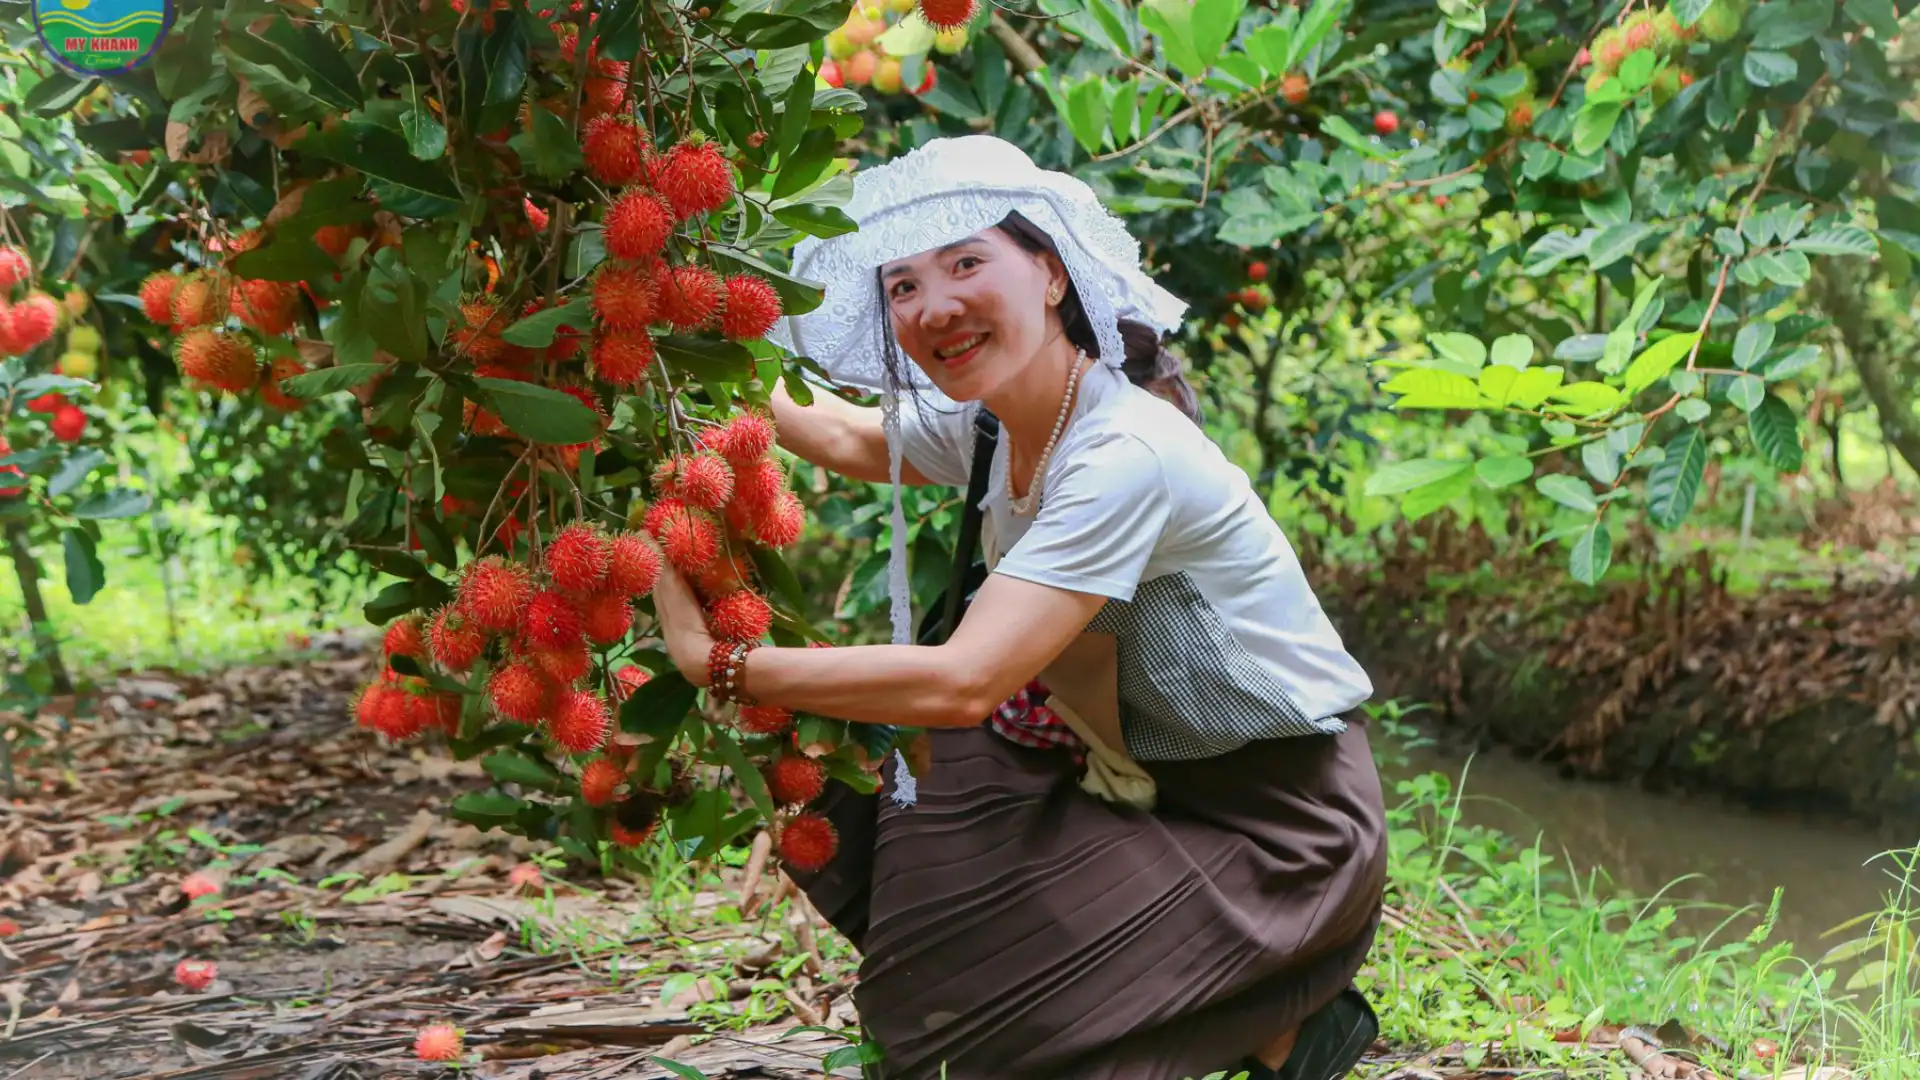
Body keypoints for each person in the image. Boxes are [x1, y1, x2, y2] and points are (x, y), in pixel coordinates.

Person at [649, 135, 1387, 1080]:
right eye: (904, 285)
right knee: (885, 783)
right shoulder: (1002, 420)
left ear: (1049, 274)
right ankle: (1266, 1019)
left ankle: (1282, 1014)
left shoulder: (1122, 455)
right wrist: (690, 336)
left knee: (1000, 1017)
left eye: (965, 264)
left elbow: (965, 680)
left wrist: (717, 661)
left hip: (1278, 820)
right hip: (1136, 767)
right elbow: (837, 432)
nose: (934, 305)